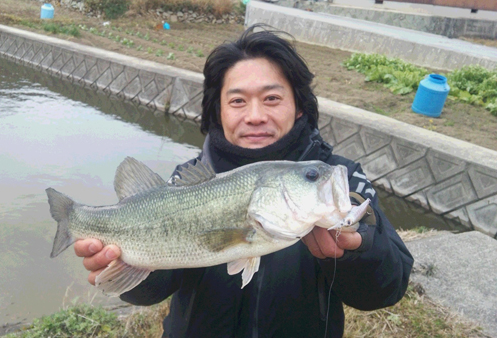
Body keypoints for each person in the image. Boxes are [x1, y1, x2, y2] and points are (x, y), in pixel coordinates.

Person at [74, 25, 414, 337]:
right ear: (218, 112)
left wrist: (359, 251)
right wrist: (124, 267)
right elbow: (155, 287)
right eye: (237, 101)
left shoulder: (339, 176)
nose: (255, 116)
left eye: (272, 98)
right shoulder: (187, 180)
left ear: (298, 106)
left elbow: (387, 289)